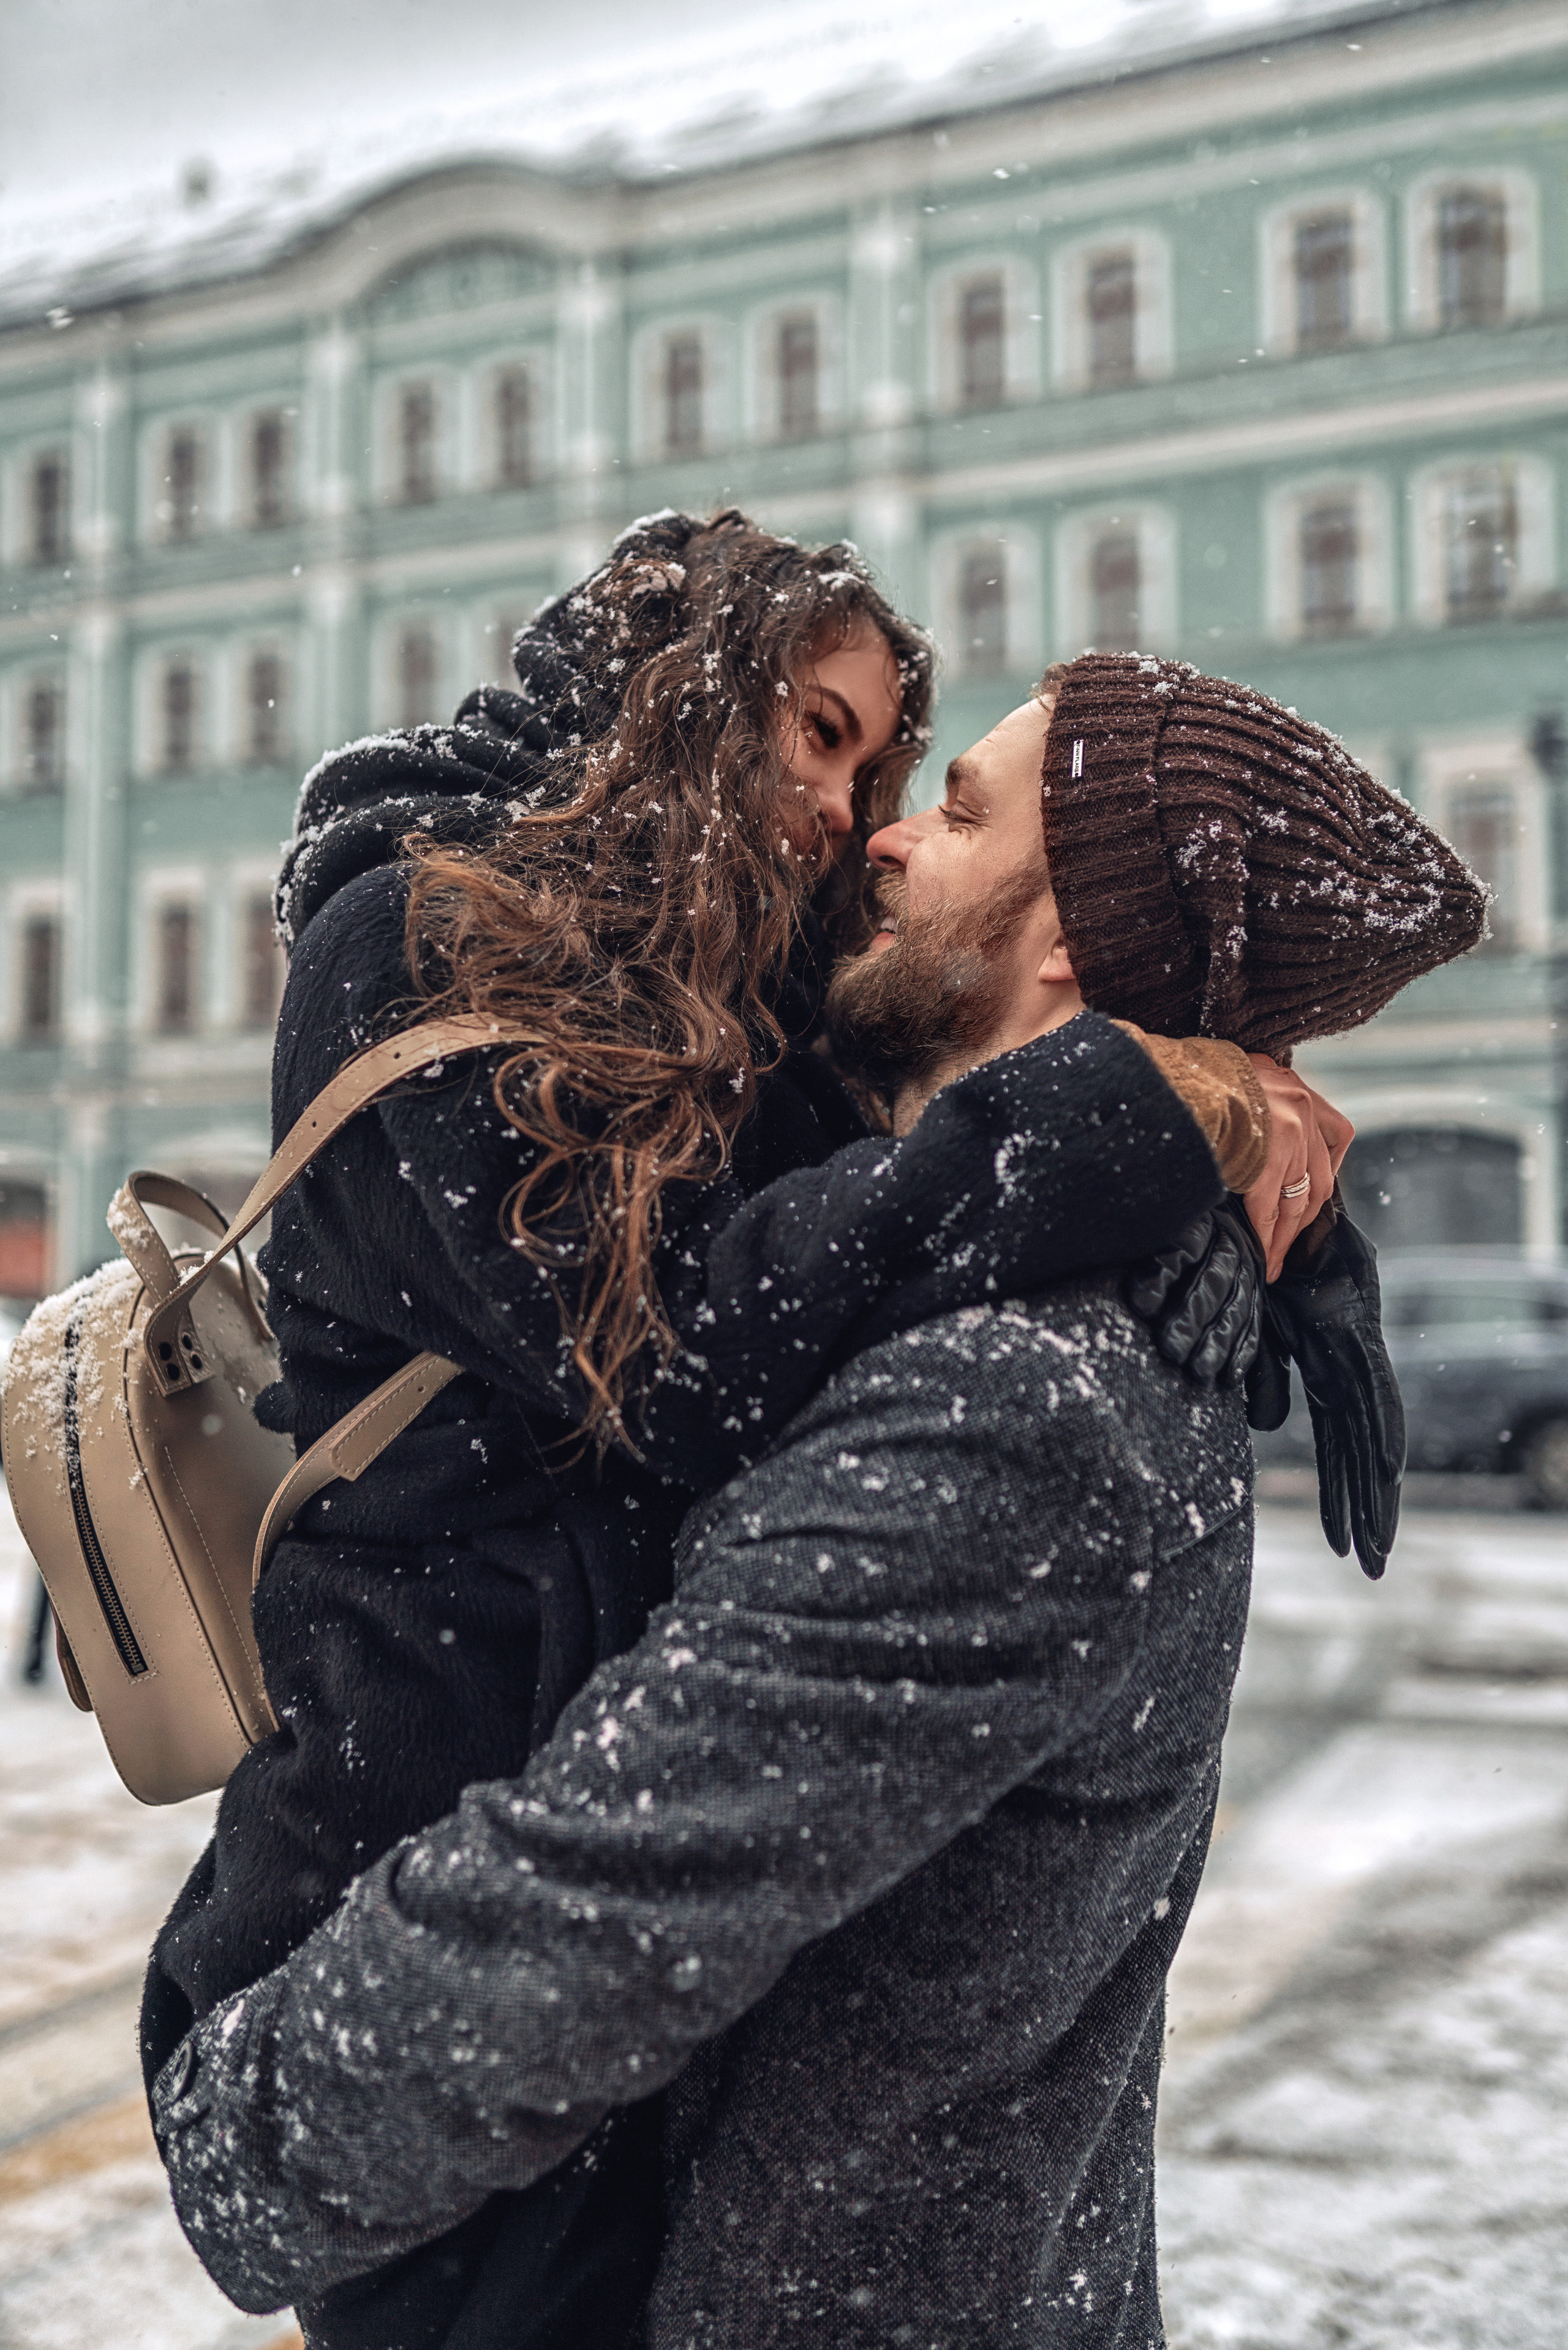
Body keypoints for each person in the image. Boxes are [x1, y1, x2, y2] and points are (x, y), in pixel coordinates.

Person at [151, 654, 1485, 2344]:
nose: (886, 842)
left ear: (1068, 937)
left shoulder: (1018, 1412)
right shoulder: (1047, 1295)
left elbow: (593, 1913)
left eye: (961, 810)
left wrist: (241, 2131)